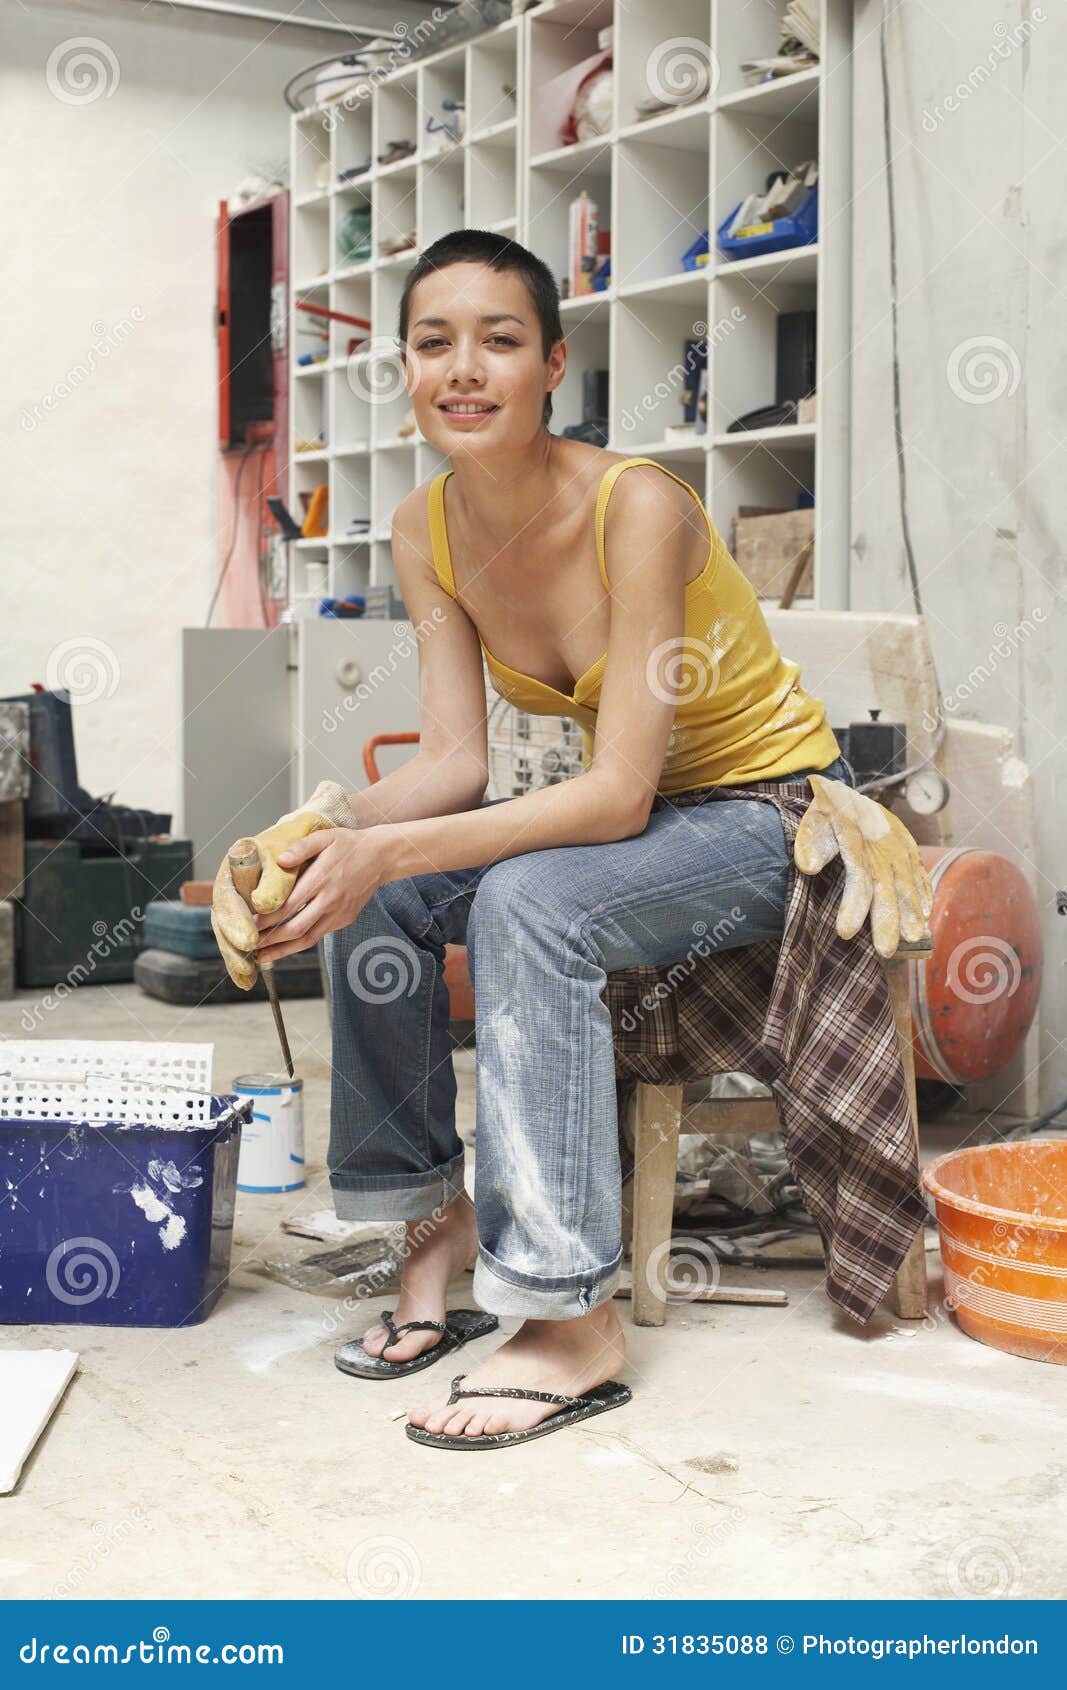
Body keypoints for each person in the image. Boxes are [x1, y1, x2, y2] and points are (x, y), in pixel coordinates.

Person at [211, 230, 912, 1452]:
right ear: (404, 367)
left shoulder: (633, 507)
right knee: (370, 894)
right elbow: (453, 762)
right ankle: (429, 1228)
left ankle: (566, 1311)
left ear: (549, 365)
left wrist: (392, 849)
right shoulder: (425, 529)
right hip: (641, 821)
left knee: (524, 900)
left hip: (766, 819)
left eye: (499, 340)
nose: (462, 369)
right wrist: (320, 829)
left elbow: (619, 794)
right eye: (433, 343)